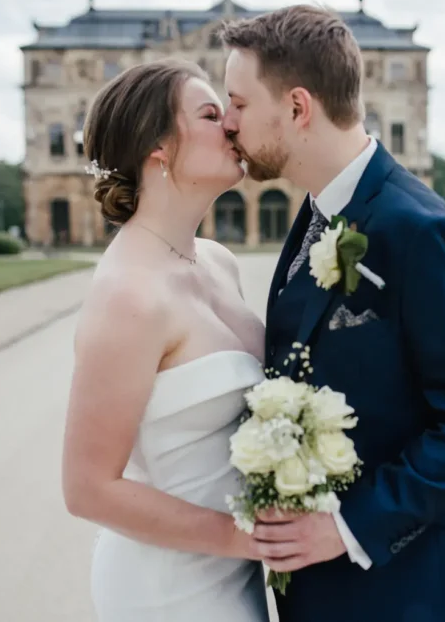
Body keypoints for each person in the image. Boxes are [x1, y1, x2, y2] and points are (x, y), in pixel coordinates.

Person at [220, 5, 445, 622]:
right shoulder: (316, 212)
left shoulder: (421, 231)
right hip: (322, 596)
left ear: (298, 108)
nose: (227, 123)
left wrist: (349, 527)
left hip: (410, 593)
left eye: (239, 103)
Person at [60, 59, 270, 622]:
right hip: (166, 588)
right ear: (157, 147)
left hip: (236, 576)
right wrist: (250, 539)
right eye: (209, 113)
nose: (231, 124)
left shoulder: (219, 263)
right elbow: (88, 488)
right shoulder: (129, 295)